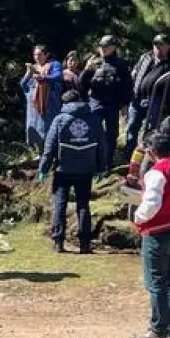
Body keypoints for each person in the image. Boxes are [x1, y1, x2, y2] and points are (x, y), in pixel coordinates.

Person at [131, 134, 170, 338]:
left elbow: (152, 205)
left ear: (151, 152)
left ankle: (157, 328)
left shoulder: (157, 173)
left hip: (157, 232)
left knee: (156, 282)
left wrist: (137, 217)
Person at [38, 90, 105, 254]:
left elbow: (49, 147)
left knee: (60, 204)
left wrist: (43, 169)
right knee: (83, 205)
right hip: (86, 169)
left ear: (65, 103)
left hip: (63, 169)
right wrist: (101, 167)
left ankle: (59, 242)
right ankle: (85, 244)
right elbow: (102, 145)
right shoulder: (94, 119)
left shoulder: (60, 119)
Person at [87, 35, 133, 171]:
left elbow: (127, 85)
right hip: (96, 102)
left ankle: (107, 164)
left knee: (111, 134)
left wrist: (125, 103)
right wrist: (86, 70)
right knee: (93, 132)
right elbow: (83, 83)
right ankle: (92, 163)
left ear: (113, 48)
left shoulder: (121, 64)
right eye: (101, 46)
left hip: (113, 103)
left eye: (106, 47)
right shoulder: (93, 62)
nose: (102, 49)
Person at [126, 34, 170, 158]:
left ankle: (145, 156)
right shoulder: (145, 58)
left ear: (168, 47)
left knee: (150, 130)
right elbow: (135, 73)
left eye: (161, 45)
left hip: (155, 101)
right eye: (156, 45)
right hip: (136, 98)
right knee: (132, 127)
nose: (157, 48)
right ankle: (129, 155)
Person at [21, 45, 63, 151]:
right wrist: (28, 74)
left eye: (39, 54)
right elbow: (23, 85)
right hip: (34, 107)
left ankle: (53, 155)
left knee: (50, 131)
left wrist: (43, 77)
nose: (37, 57)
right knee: (35, 130)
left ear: (46, 55)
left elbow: (58, 76)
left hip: (50, 105)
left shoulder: (54, 64)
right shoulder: (33, 67)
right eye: (35, 54)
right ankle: (37, 154)